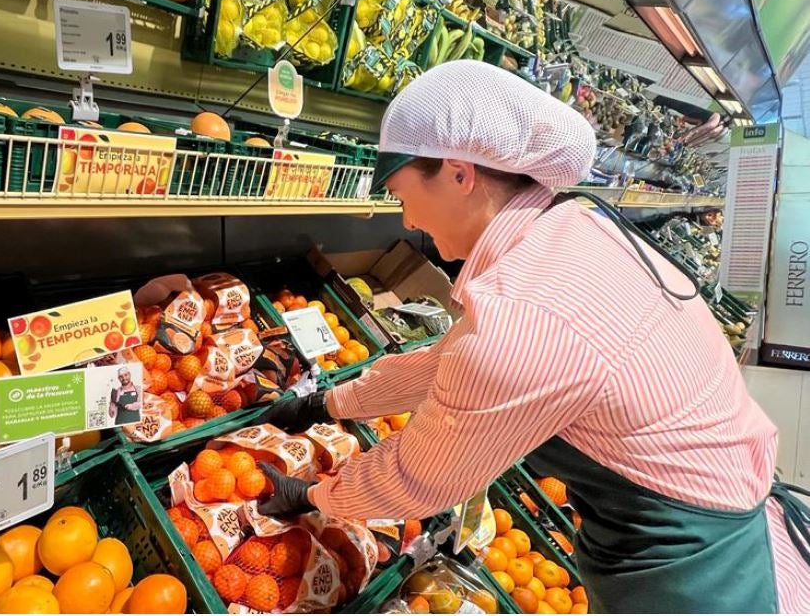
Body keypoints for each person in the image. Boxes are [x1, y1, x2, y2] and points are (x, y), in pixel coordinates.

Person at [257, 61, 810, 613]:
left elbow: (415, 479)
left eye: (402, 194)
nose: (405, 221)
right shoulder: (572, 231)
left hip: (700, 581)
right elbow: (444, 364)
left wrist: (311, 495)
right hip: (736, 515)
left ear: (458, 173)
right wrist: (327, 403)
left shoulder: (522, 314)